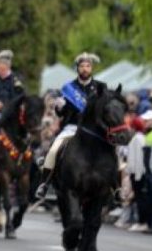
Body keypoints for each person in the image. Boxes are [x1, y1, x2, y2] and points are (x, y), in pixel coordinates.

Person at [35, 53, 107, 198]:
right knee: (54, 150)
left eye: (88, 66)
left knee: (110, 151)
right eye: (82, 66)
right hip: (72, 127)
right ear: (77, 68)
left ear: (91, 68)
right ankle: (45, 183)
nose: (85, 69)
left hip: (94, 129)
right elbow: (61, 114)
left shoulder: (101, 87)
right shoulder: (69, 88)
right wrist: (59, 107)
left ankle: (115, 187)